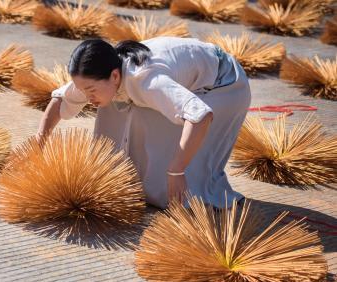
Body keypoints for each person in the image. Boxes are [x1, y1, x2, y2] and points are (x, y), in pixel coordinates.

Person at [37, 37, 251, 209]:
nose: (86, 96)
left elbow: (200, 116)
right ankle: (117, 178)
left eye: (90, 90)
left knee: (178, 174)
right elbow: (61, 99)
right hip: (191, 80)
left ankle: (175, 189)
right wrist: (38, 143)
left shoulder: (148, 80)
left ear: (114, 75)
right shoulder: (101, 74)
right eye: (83, 90)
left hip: (224, 86)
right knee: (109, 105)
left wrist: (176, 171)